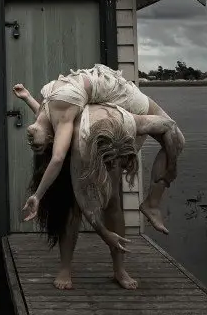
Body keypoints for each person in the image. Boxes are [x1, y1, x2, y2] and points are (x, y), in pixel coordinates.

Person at [13, 64, 184, 236]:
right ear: (53, 136)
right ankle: (152, 204)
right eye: (37, 145)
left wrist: (27, 97)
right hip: (122, 97)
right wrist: (37, 196)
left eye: (34, 144)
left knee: (173, 140)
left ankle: (151, 203)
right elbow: (57, 157)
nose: (31, 142)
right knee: (177, 139)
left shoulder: (47, 109)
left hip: (117, 89)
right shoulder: (60, 112)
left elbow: (46, 126)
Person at [24, 100, 177, 290]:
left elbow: (170, 126)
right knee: (73, 207)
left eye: (117, 162)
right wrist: (104, 234)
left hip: (110, 131)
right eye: (109, 162)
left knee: (113, 202)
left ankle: (119, 269)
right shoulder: (79, 145)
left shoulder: (132, 122)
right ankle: (65, 268)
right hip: (78, 144)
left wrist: (171, 168)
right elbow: (84, 201)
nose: (112, 166)